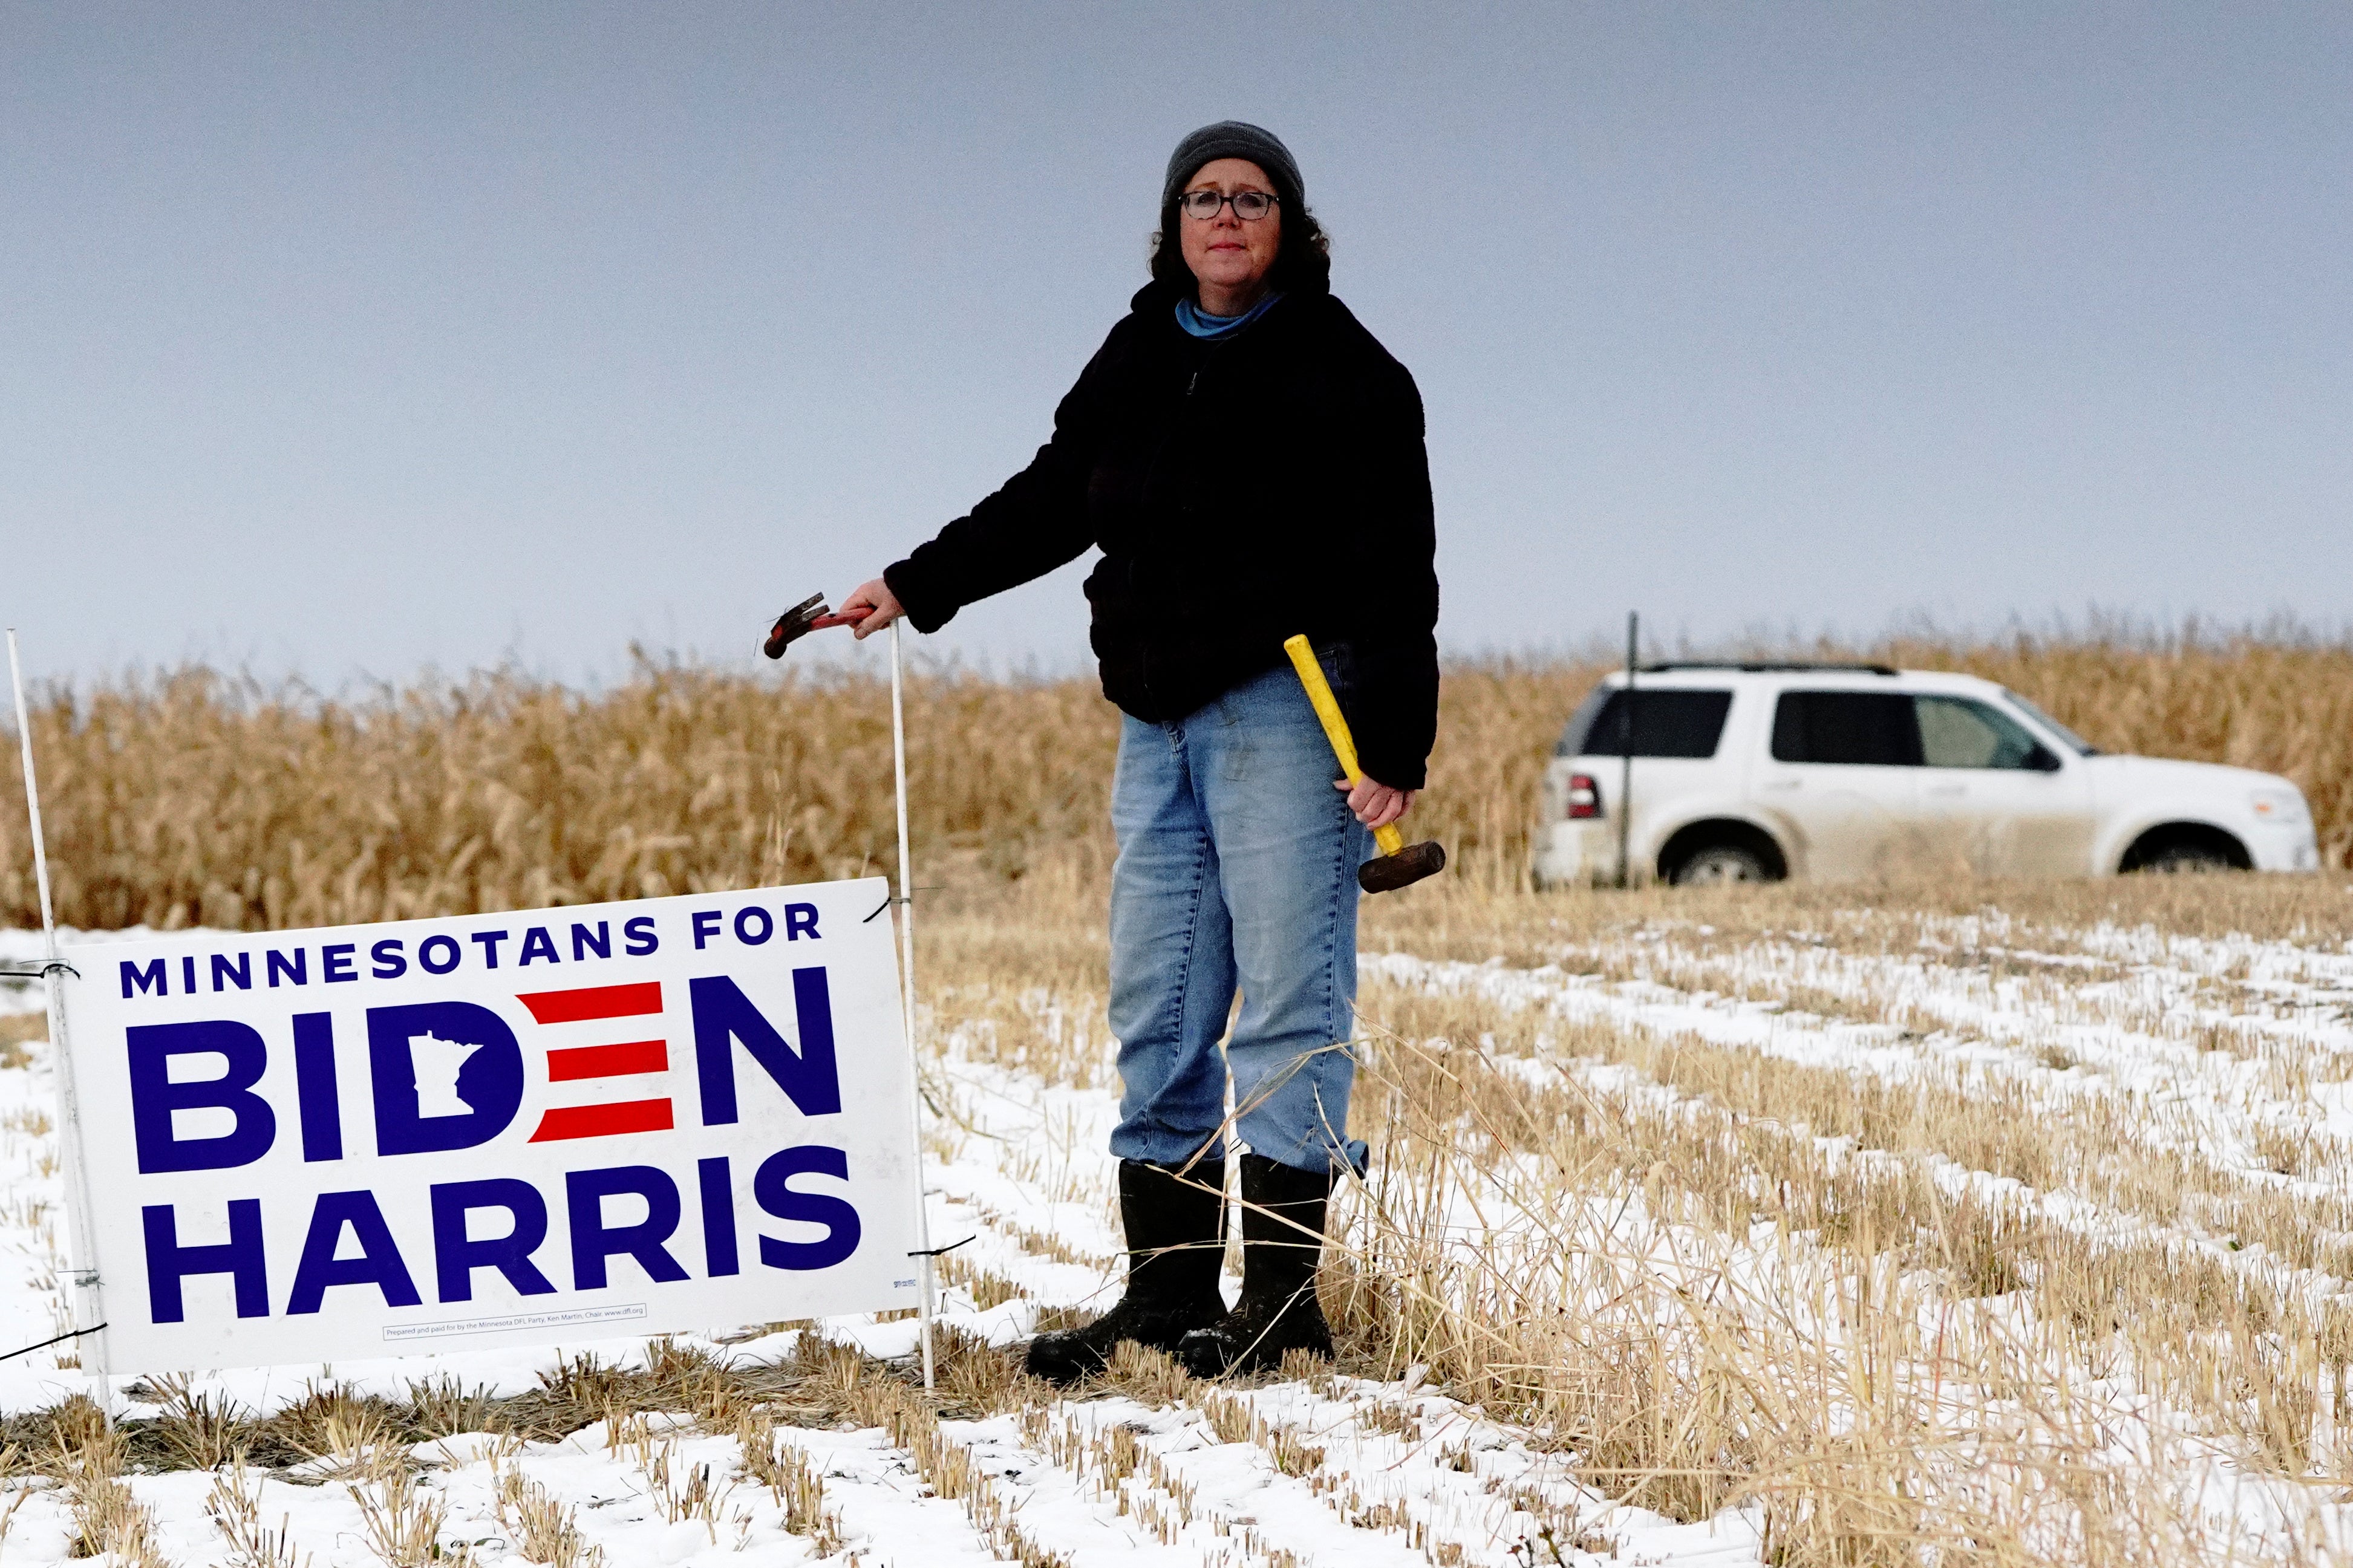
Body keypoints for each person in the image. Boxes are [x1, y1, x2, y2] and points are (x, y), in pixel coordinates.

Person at [834, 120, 1438, 1382]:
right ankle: (1164, 1300)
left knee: (1286, 1002)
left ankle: (1279, 1307)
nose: (1226, 216)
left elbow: (1395, 569)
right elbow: (1057, 496)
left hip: (1288, 707)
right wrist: (912, 582)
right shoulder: (1137, 352)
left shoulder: (1345, 370)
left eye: (1253, 198)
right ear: (1172, 222)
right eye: (1203, 197)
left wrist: (1394, 744)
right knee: (1157, 1003)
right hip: (1154, 716)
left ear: (1291, 225)